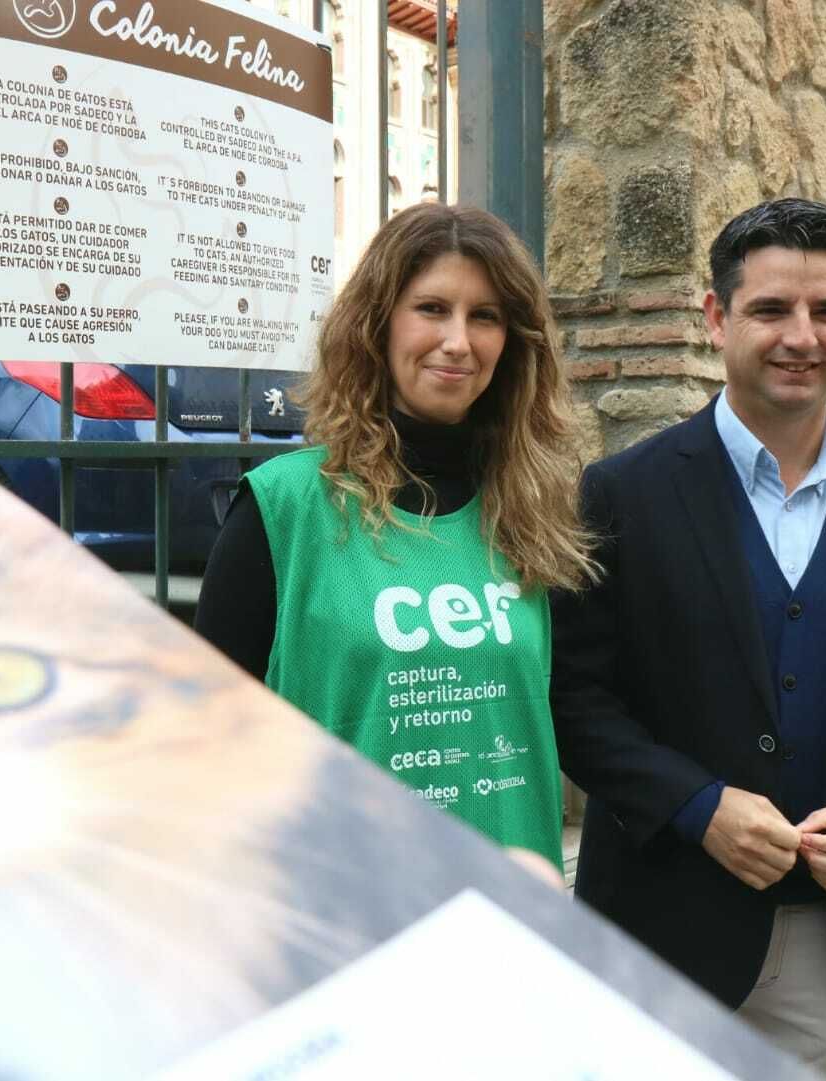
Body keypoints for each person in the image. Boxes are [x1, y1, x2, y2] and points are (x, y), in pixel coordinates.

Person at [549, 197, 826, 1080]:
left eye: (825, 311)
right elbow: (573, 693)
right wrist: (697, 806)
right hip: (656, 921)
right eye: (770, 309)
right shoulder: (621, 495)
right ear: (717, 317)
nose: (802, 335)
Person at [196, 202, 597, 871]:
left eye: (486, 316)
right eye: (432, 308)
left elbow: (573, 711)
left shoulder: (534, 509)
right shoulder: (283, 507)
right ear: (377, 325)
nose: (459, 341)